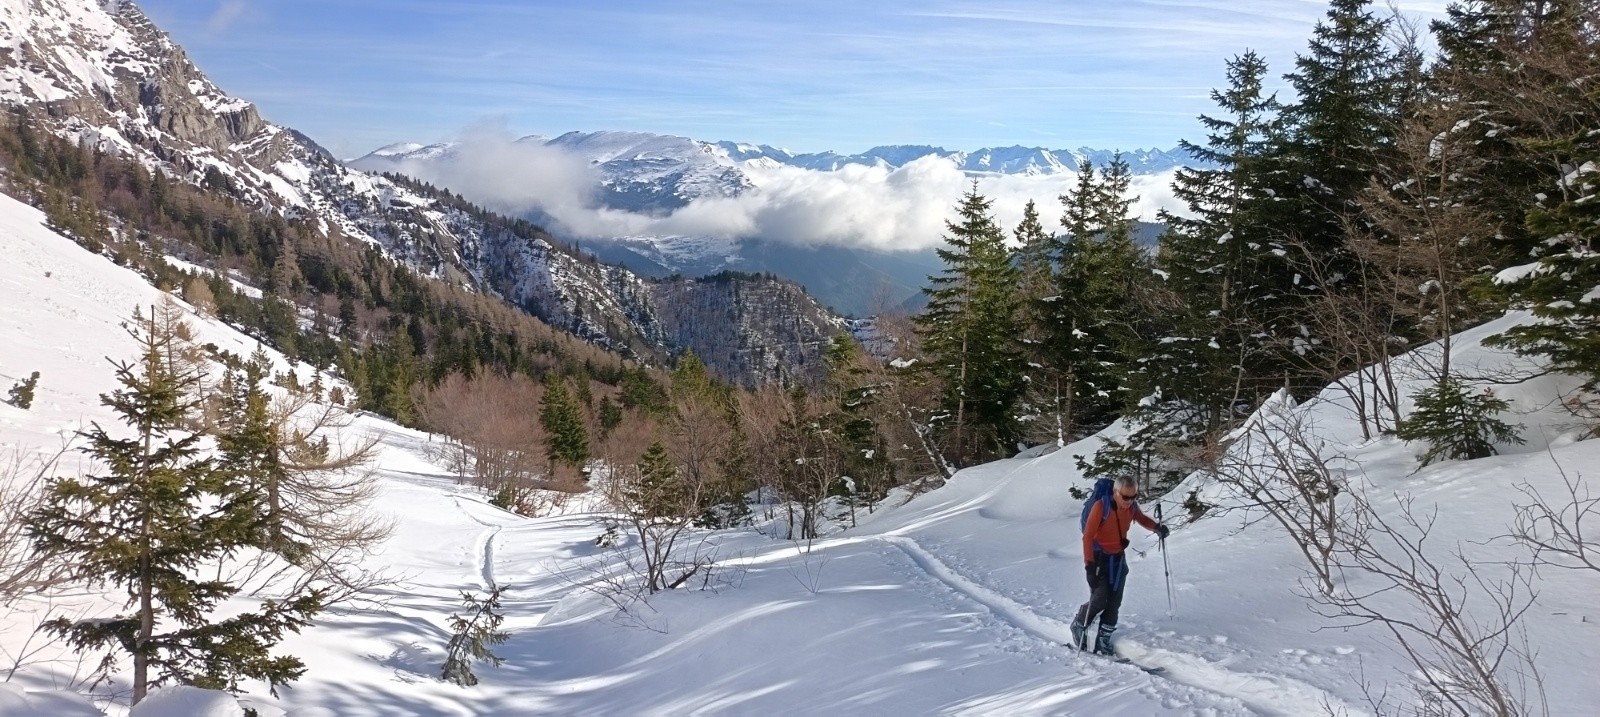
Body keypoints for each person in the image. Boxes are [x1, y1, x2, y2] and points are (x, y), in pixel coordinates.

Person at [1070, 475, 1169, 655]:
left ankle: (1103, 639)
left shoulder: (1132, 507)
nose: (1129, 501)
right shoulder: (1101, 507)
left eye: (1134, 497)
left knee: (1115, 601)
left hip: (1117, 559)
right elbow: (1088, 537)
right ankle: (1079, 623)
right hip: (1098, 558)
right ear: (1116, 492)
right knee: (1100, 598)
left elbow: (1141, 518)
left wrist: (1157, 527)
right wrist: (1089, 566)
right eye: (1125, 497)